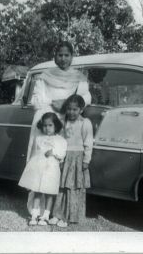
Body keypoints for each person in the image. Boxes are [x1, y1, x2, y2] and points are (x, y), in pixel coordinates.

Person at [27, 41, 91, 162]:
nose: (63, 59)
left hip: (68, 119)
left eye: (67, 55)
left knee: (60, 153)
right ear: (55, 57)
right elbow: (35, 100)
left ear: (72, 57)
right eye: (60, 55)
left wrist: (66, 103)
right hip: (46, 119)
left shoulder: (78, 77)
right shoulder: (45, 76)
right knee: (42, 156)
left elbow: (86, 98)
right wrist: (52, 102)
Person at [49, 94, 93, 227]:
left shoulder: (85, 123)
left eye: (75, 109)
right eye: (69, 109)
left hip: (77, 160)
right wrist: (59, 157)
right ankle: (57, 214)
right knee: (61, 187)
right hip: (65, 158)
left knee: (73, 188)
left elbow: (88, 143)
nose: (71, 112)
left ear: (81, 109)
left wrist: (86, 160)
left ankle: (68, 217)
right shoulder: (64, 122)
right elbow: (61, 140)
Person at [18, 112, 67, 226]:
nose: (47, 128)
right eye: (45, 125)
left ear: (56, 126)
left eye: (50, 125)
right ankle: (34, 215)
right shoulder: (39, 138)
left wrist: (53, 152)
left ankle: (45, 216)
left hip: (51, 169)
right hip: (39, 167)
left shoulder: (60, 140)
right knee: (38, 191)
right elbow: (35, 153)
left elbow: (62, 155)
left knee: (49, 193)